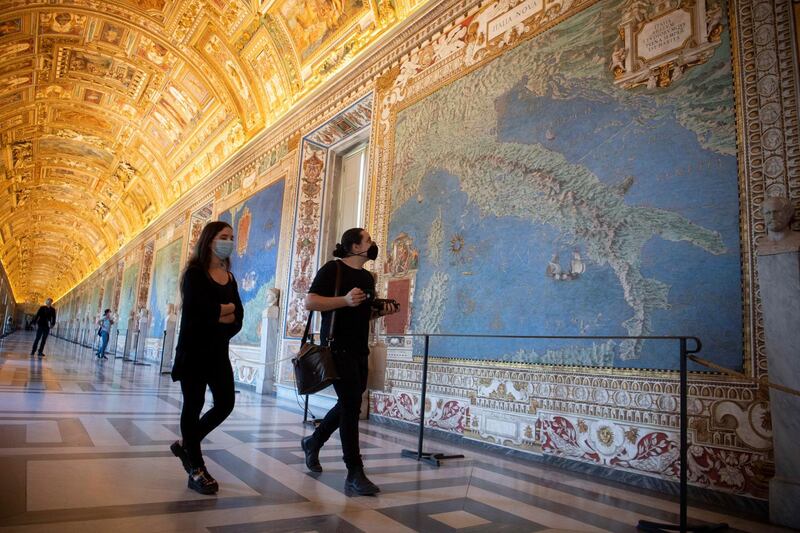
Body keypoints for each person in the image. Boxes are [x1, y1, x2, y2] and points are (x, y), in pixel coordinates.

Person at [301, 228, 400, 496]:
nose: (373, 243)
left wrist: (379, 313)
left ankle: (314, 441)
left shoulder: (367, 277)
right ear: (355, 246)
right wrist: (344, 300)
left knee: (349, 404)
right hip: (336, 350)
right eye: (368, 240)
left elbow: (361, 314)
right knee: (351, 407)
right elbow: (310, 301)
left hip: (360, 350)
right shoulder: (333, 270)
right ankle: (354, 472)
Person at [169, 221, 243, 495]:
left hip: (217, 351)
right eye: (224, 237)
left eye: (232, 237)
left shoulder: (230, 278)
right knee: (194, 404)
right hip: (193, 351)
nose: (229, 241)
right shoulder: (194, 275)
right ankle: (196, 468)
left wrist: (222, 313)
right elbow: (196, 316)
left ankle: (186, 444)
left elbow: (239, 317)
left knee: (225, 403)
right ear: (210, 240)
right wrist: (223, 311)